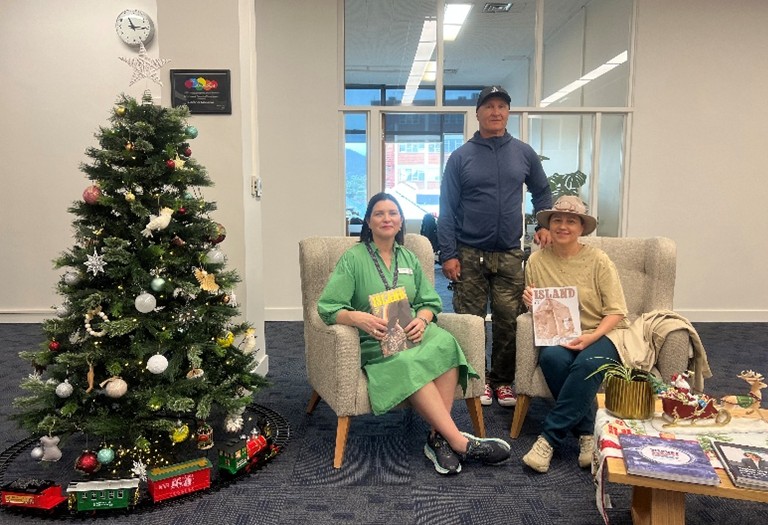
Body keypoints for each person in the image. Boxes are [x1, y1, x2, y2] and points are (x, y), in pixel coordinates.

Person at [318, 192, 511, 475]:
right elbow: (328, 307)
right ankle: (459, 442)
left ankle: (436, 437)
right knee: (409, 362)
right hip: (377, 340)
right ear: (369, 222)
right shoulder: (353, 258)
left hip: (411, 332)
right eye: (379, 213)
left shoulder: (408, 257)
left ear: (400, 222)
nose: (386, 218)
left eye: (392, 213)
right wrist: (357, 318)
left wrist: (422, 319)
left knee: (445, 344)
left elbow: (429, 301)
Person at [438, 85, 553, 408]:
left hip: (509, 254)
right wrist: (448, 254)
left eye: (502, 106)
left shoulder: (523, 153)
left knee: (509, 320)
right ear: (478, 113)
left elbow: (542, 192)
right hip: (469, 253)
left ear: (508, 113)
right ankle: (477, 380)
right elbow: (446, 209)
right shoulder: (461, 157)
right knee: (470, 322)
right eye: (489, 106)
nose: (496, 112)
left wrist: (543, 224)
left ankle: (502, 382)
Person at [520, 195, 629, 473]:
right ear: (549, 225)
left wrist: (592, 337)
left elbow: (616, 311)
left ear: (581, 228)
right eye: (557, 220)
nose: (563, 226)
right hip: (560, 332)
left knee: (588, 365)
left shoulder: (599, 260)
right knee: (552, 359)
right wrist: (530, 301)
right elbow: (540, 307)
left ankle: (548, 439)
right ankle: (587, 433)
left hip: (603, 332)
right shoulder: (536, 261)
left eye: (571, 221)